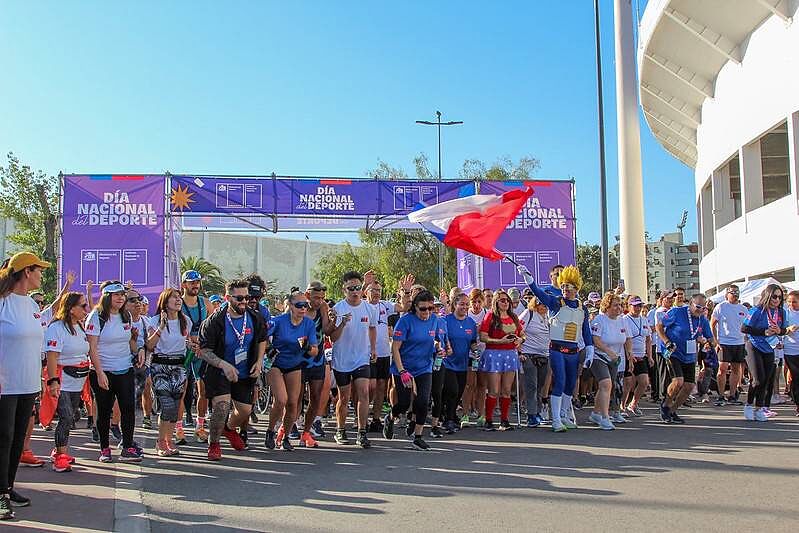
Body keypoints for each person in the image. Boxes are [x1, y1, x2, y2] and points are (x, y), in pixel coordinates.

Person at [0, 252, 51, 517]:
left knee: (18, 439)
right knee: (3, 438)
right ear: (26, 272)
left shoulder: (31, 306)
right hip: (4, 386)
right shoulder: (2, 302)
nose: (41, 274)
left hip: (28, 383)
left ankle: (7, 488)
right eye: (38, 269)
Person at [196, 279, 267, 460]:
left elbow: (261, 339)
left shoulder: (254, 317)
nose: (244, 301)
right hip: (220, 371)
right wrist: (223, 365)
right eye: (239, 298)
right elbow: (203, 351)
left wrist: (259, 361)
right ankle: (214, 443)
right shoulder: (214, 321)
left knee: (244, 411)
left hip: (244, 371)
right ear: (228, 297)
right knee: (221, 406)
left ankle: (227, 428)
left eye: (247, 297)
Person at [519, 265, 593, 432]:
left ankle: (564, 414)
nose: (566, 289)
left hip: (573, 351)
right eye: (563, 286)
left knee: (570, 383)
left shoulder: (583, 307)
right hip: (557, 349)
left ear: (577, 288)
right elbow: (538, 292)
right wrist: (528, 277)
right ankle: (556, 419)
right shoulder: (555, 303)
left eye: (569, 286)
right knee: (559, 381)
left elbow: (586, 331)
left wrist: (590, 350)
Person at [86, 281, 144, 463]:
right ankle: (104, 449)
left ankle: (127, 446)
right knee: (104, 411)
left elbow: (130, 342)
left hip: (124, 368)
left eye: (122, 294)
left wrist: (139, 350)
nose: (121, 297)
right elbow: (92, 348)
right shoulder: (96, 317)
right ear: (106, 296)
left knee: (128, 408)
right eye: (116, 294)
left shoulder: (125, 315)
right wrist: (100, 372)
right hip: (102, 371)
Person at [326, 272, 378, 448]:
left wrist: (373, 348)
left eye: (357, 288)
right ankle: (340, 429)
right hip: (342, 359)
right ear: (344, 290)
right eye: (351, 289)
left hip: (361, 358)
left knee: (363, 393)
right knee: (344, 396)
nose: (355, 292)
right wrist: (342, 323)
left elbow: (372, 329)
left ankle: (362, 432)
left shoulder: (369, 308)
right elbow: (333, 338)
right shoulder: (338, 309)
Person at [383, 290, 438, 450]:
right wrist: (401, 371)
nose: (427, 312)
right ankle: (391, 417)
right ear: (415, 307)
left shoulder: (434, 320)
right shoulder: (405, 321)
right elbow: (395, 347)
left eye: (430, 308)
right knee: (404, 403)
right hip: (403, 367)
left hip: (424, 367)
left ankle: (418, 437)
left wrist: (439, 347)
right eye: (423, 309)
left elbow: (434, 339)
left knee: (422, 401)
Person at [264, 290, 318, 450]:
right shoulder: (278, 321)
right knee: (281, 400)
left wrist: (307, 346)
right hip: (276, 363)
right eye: (299, 305)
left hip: (295, 363)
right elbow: (262, 336)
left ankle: (285, 436)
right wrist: (268, 348)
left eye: (305, 305)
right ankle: (270, 431)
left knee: (293, 403)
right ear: (290, 306)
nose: (303, 309)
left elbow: (315, 350)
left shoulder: (308, 324)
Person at [146, 288, 196, 456]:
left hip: (180, 367)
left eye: (178, 297)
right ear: (165, 302)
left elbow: (186, 341)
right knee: (166, 405)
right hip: (160, 365)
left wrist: (191, 346)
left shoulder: (186, 321)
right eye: (173, 298)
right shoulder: (154, 321)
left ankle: (169, 440)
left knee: (174, 407)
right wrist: (161, 326)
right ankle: (160, 442)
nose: (178, 300)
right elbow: (150, 346)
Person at [44, 292, 91, 472]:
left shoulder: (80, 326)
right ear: (71, 309)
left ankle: (60, 450)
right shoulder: (56, 328)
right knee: (65, 417)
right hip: (63, 379)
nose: (86, 309)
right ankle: (59, 457)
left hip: (79, 379)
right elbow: (52, 355)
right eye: (83, 306)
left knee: (70, 417)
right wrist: (53, 381)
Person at [363, 274, 413, 433]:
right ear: (366, 292)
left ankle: (376, 419)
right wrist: (365, 283)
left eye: (379, 290)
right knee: (367, 387)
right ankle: (361, 419)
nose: (377, 293)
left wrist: (406, 291)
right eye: (373, 290)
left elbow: (404, 308)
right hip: (366, 353)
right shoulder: (362, 305)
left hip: (384, 353)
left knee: (381, 387)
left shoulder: (385, 305)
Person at [656, 294, 715, 424]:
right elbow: (659, 326)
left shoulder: (702, 319)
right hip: (673, 351)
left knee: (689, 386)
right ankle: (665, 405)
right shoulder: (677, 312)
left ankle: (672, 410)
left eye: (703, 307)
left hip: (690, 355)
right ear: (690, 304)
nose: (700, 310)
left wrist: (706, 342)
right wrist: (666, 342)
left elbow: (711, 339)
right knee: (678, 381)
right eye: (698, 307)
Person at [478, 290, 524, 431]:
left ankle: (504, 420)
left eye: (507, 300)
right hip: (494, 354)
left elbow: (522, 333)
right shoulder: (490, 316)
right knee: (494, 390)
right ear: (496, 302)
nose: (505, 303)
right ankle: (489, 420)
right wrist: (500, 341)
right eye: (502, 300)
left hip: (510, 354)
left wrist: (520, 339)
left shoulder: (514, 317)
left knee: (506, 390)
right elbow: (483, 337)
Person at [741, 284, 787, 422]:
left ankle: (760, 408)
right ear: (767, 296)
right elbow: (744, 328)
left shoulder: (781, 312)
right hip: (753, 345)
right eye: (774, 296)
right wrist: (763, 332)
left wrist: (780, 332)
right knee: (758, 379)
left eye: (779, 297)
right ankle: (749, 405)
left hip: (770, 346)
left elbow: (784, 330)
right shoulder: (757, 310)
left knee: (766, 380)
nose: (777, 300)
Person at [588, 292, 631, 430]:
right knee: (606, 384)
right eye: (615, 305)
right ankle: (605, 418)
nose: (618, 308)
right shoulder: (599, 320)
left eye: (620, 305)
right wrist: (608, 351)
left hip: (615, 358)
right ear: (607, 306)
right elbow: (596, 340)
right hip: (599, 356)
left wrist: (629, 353)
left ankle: (595, 413)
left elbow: (627, 338)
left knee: (607, 386)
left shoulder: (622, 320)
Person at [179, 270, 213, 444]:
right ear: (184, 284)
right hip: (184, 350)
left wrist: (204, 343)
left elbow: (213, 327)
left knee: (204, 390)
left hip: (201, 350)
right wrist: (188, 340)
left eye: (197, 282)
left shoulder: (205, 303)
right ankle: (178, 429)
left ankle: (200, 427)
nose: (195, 285)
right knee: (181, 390)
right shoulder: (178, 303)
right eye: (191, 282)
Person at [441, 293, 478, 433]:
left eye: (466, 304)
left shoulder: (471, 323)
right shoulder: (446, 320)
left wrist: (475, 350)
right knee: (452, 390)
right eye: (461, 304)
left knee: (459, 392)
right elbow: (442, 337)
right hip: (447, 362)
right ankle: (448, 419)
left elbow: (473, 342)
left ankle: (449, 414)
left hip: (462, 363)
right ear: (455, 305)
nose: (465, 307)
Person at [301, 281, 333, 441]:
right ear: (307, 296)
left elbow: (326, 330)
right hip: (299, 359)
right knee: (296, 398)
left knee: (315, 396)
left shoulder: (323, 308)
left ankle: (307, 430)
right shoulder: (299, 307)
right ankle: (290, 424)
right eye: (316, 297)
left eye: (322, 297)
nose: (319, 301)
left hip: (317, 358)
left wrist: (335, 322)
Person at [710, 285, 748, 406]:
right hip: (725, 342)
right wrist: (716, 341)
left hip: (739, 342)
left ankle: (732, 395)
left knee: (736, 369)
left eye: (737, 293)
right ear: (727, 294)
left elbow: (748, 325)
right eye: (733, 293)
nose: (735, 295)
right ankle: (721, 395)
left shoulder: (743, 308)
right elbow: (712, 324)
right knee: (722, 369)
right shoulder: (721, 307)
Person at [518, 296, 550, 427]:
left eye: (545, 304)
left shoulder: (547, 317)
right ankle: (531, 415)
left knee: (540, 385)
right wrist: (519, 351)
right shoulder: (529, 313)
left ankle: (537, 412)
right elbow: (518, 330)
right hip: (528, 354)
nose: (544, 307)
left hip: (543, 355)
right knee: (531, 385)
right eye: (541, 304)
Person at [622, 295, 652, 417]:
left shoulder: (644, 319)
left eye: (640, 305)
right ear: (629, 306)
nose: (638, 308)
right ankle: (621, 406)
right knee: (628, 383)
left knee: (644, 382)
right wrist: (629, 354)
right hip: (628, 356)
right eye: (635, 306)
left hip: (641, 355)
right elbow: (623, 338)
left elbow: (648, 339)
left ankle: (634, 403)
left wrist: (649, 356)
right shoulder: (624, 319)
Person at [782, 290, 799, 416]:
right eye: (789, 302)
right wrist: (787, 330)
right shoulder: (785, 314)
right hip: (790, 349)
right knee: (796, 376)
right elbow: (779, 330)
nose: (791, 304)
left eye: (795, 302)